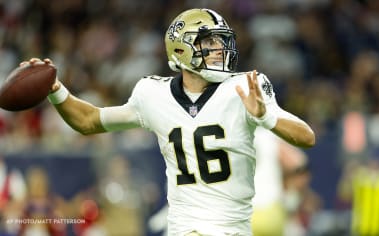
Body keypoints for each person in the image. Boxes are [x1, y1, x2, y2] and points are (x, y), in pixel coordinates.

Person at [22, 8, 315, 235]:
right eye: (208, 42)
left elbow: (306, 137)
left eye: (220, 42)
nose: (219, 50)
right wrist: (55, 89)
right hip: (185, 228)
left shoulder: (243, 89)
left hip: (235, 228)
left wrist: (265, 116)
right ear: (181, 50)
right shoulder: (153, 94)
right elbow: (88, 120)